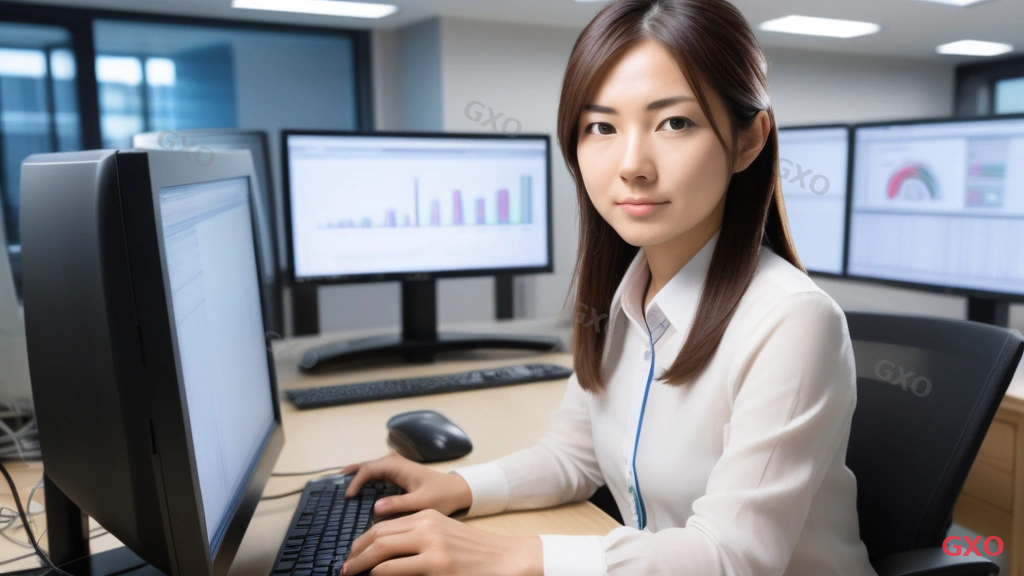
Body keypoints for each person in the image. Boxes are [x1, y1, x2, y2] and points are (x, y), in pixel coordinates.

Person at [339, 0, 878, 574]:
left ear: (749, 140)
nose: (632, 165)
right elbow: (574, 455)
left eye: (675, 122)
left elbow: (731, 557)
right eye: (602, 126)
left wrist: (524, 557)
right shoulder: (626, 294)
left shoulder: (792, 321)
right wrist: (457, 485)